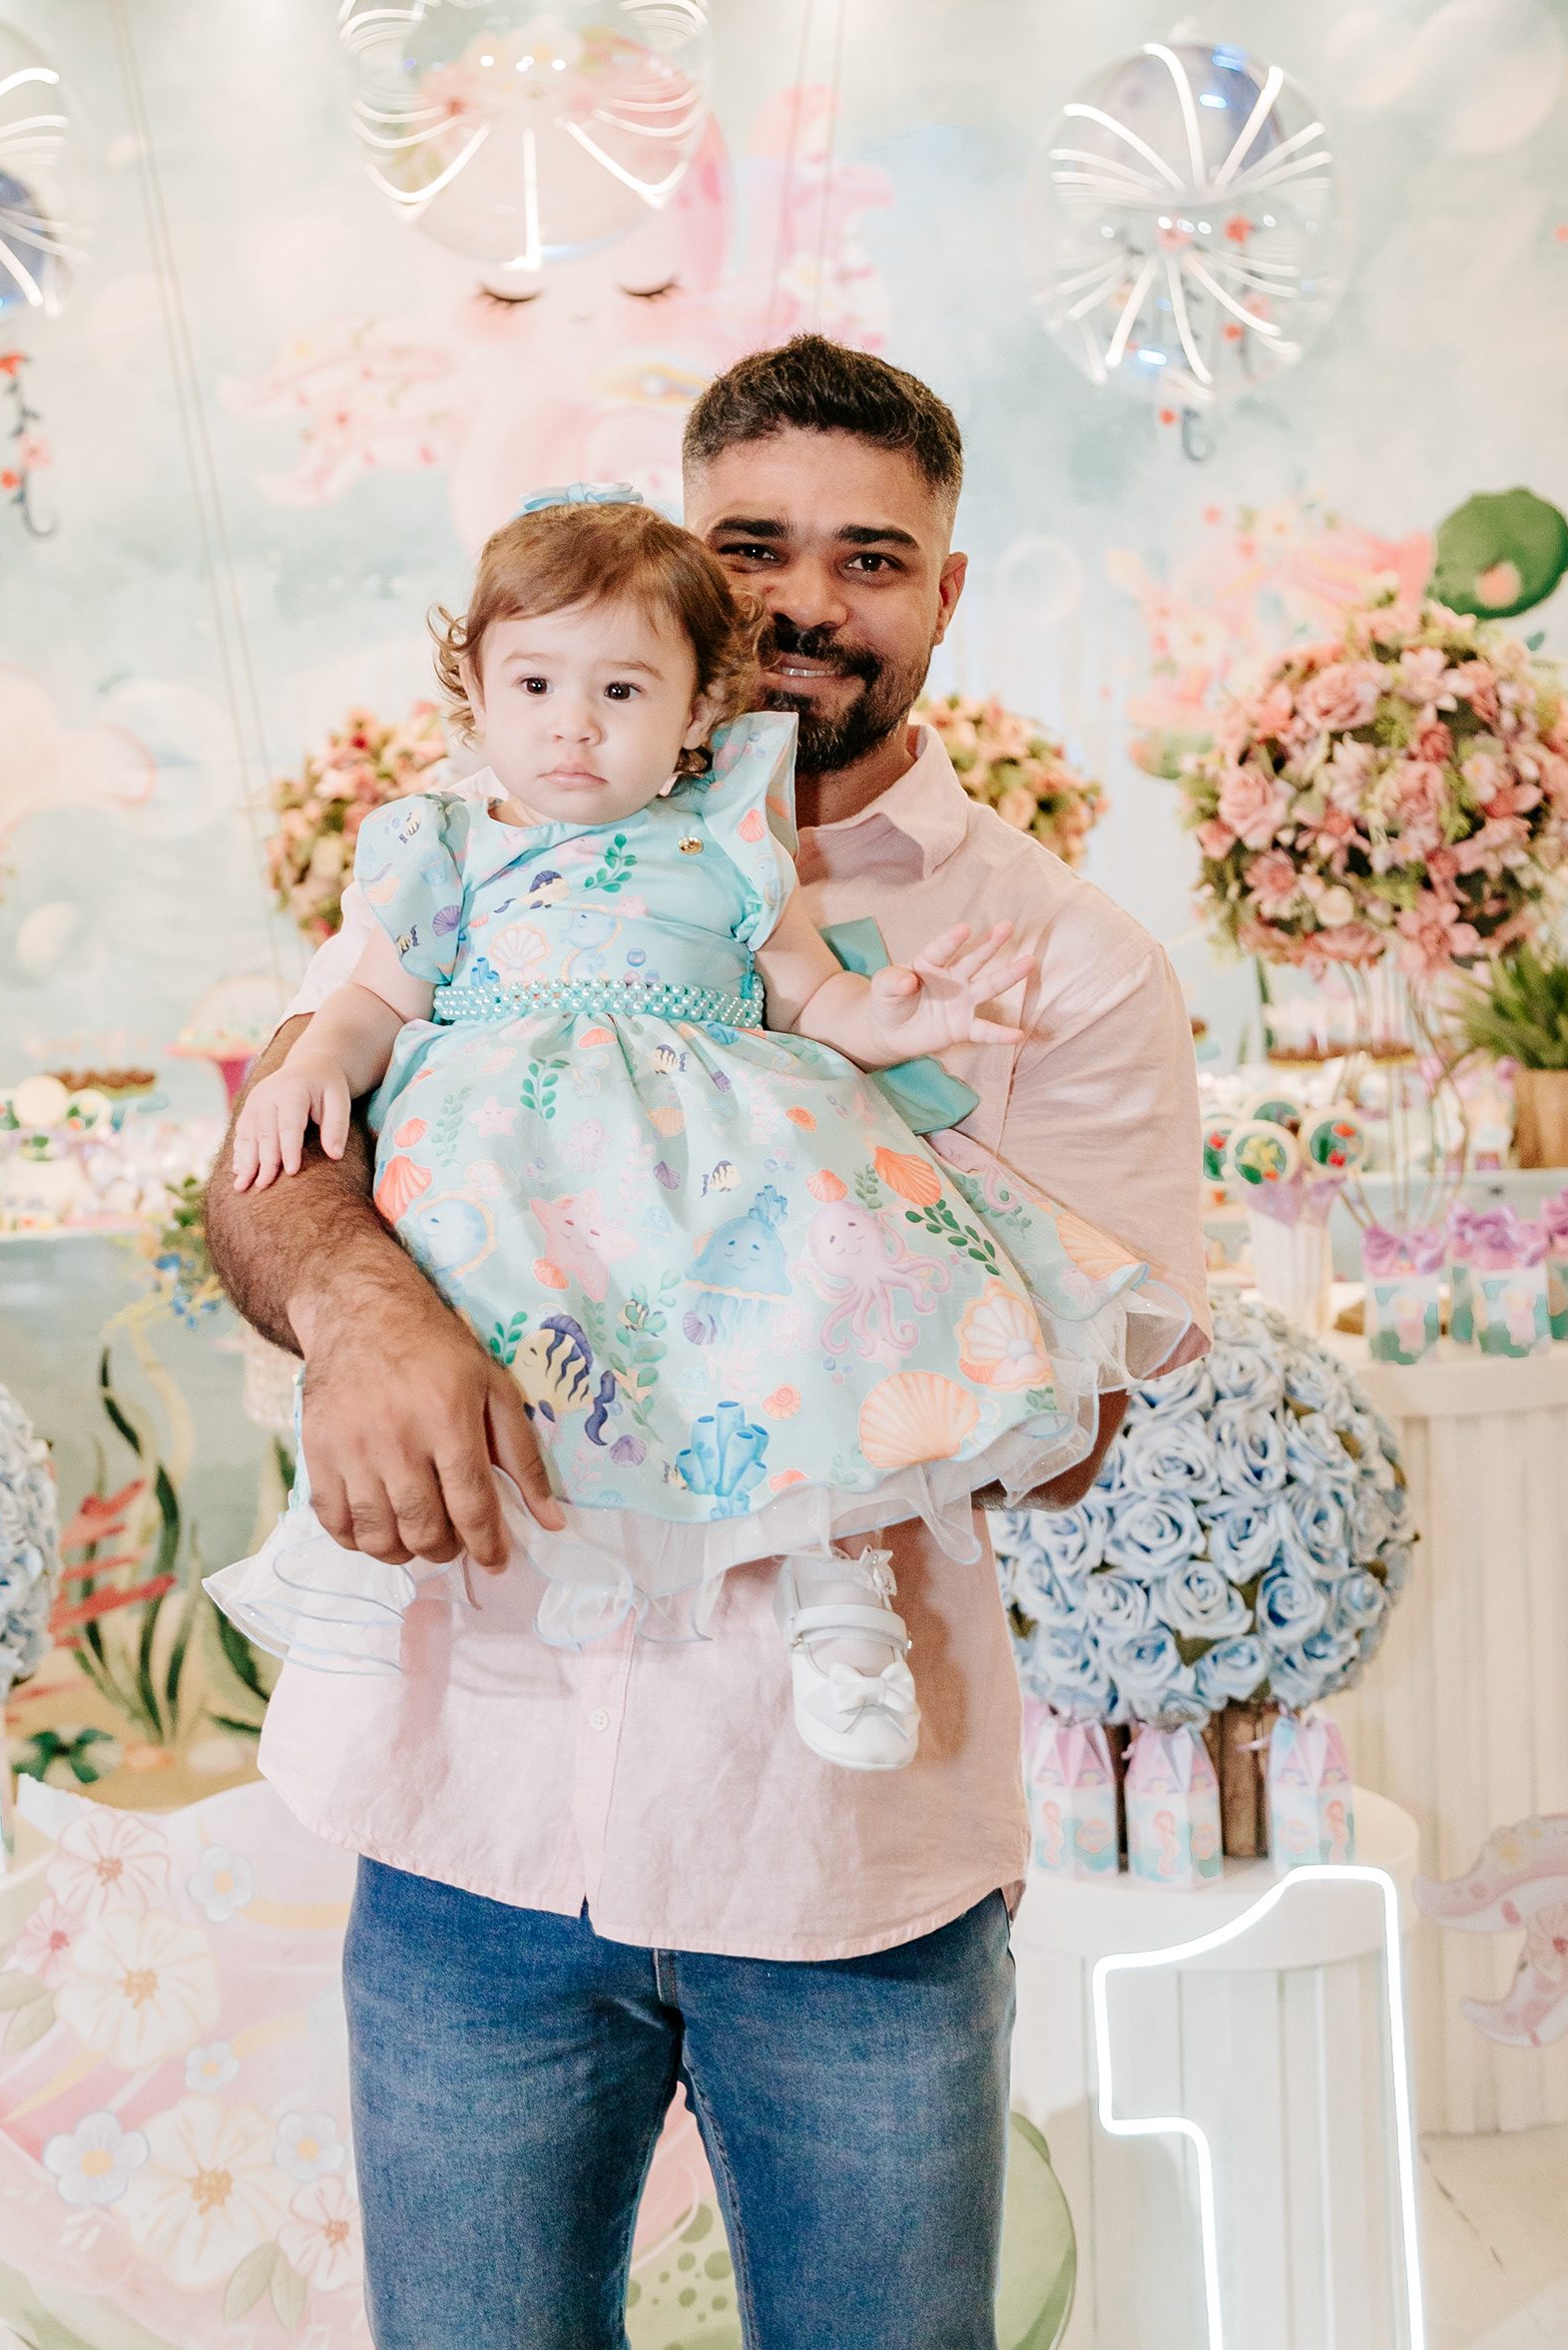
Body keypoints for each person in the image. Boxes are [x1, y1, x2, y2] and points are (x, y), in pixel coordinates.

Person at [204, 334, 1207, 2350]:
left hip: (844, 1851)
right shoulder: (485, 836)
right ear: (678, 559)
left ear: (945, 592)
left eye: (871, 558)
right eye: (754, 545)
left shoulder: (1067, 964)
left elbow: (1088, 1414)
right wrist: (369, 1311)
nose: (805, 602)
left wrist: (818, 1242)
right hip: (474, 1803)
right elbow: (273, 1171)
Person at [214, 489, 1154, 1774]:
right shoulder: (443, 842)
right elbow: (377, 996)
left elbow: (806, 994)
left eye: (621, 692)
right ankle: (482, 1574)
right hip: (513, 1166)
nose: (573, 725)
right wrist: (313, 1063)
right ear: (476, 692)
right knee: (493, 1315)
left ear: (700, 709)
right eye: (534, 684)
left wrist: (889, 1014)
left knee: (816, 1289)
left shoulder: (726, 837)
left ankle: (839, 1586)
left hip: (720, 1141)